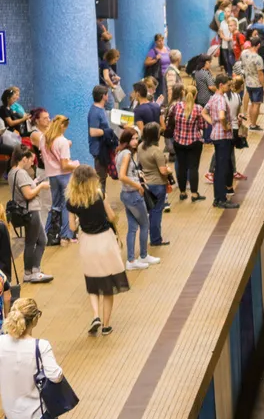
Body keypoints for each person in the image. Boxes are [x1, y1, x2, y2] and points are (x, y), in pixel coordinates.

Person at [66, 166, 128, 334]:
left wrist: (80, 222)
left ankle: (95, 315)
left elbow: (72, 226)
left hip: (87, 243)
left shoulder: (71, 201)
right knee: (108, 285)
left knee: (92, 283)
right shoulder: (99, 195)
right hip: (105, 241)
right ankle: (106, 326)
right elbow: (112, 217)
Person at [116, 127, 156, 270]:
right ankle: (143, 255)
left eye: (136, 138)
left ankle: (131, 260)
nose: (135, 141)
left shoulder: (121, 153)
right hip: (133, 194)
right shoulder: (126, 154)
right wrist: (138, 186)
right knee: (144, 224)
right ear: (126, 140)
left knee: (133, 227)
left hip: (126, 194)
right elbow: (122, 176)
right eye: (132, 138)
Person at [8, 148, 51, 283]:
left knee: (36, 240)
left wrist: (35, 184)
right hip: (31, 210)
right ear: (23, 158)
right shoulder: (21, 173)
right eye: (30, 159)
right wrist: (41, 186)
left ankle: (33, 271)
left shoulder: (12, 172)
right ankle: (31, 271)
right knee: (35, 241)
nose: (32, 163)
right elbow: (28, 194)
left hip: (25, 211)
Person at [40, 115, 78, 245]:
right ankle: (65, 235)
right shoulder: (62, 141)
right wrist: (76, 164)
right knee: (67, 205)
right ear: (63, 126)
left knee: (55, 205)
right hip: (64, 175)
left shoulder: (43, 139)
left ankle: (48, 233)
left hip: (51, 175)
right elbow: (65, 165)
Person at [204, 75, 239, 210]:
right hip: (223, 137)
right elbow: (222, 116)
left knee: (219, 167)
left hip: (216, 136)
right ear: (220, 85)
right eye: (227, 85)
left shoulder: (213, 98)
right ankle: (221, 199)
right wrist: (224, 126)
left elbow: (204, 112)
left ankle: (218, 198)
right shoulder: (220, 100)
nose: (229, 87)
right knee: (222, 169)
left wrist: (212, 123)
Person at [170, 84, 206, 203]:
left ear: (184, 94)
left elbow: (171, 120)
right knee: (193, 167)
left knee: (181, 166)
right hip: (194, 142)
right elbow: (202, 125)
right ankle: (194, 193)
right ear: (195, 95)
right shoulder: (198, 109)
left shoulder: (177, 106)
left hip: (178, 141)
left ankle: (182, 192)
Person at [136, 122, 170, 247]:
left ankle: (149, 235)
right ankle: (156, 239)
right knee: (156, 212)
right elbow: (163, 171)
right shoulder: (157, 151)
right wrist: (169, 170)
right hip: (158, 184)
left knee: (149, 211)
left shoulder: (140, 147)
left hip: (146, 184)